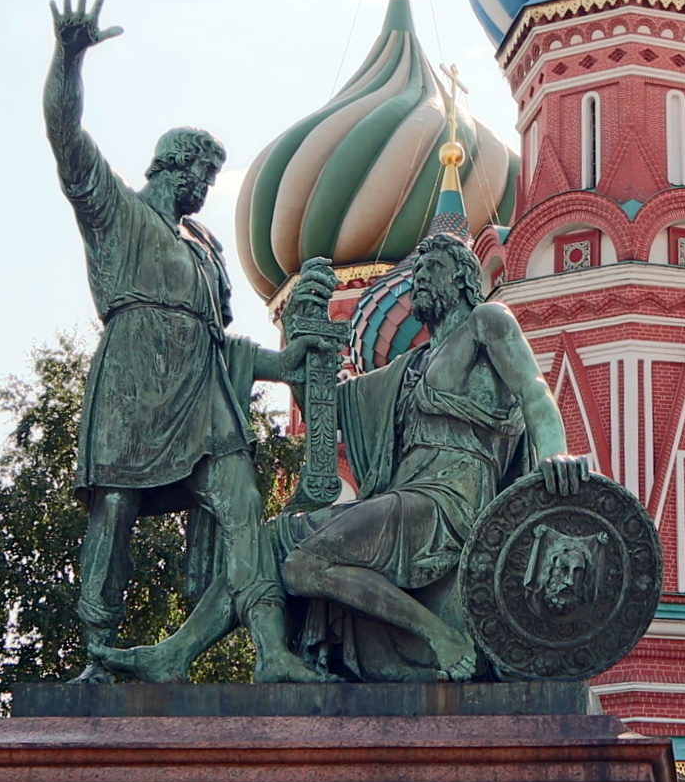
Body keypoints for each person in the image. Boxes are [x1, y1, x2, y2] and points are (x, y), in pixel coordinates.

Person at [96, 231, 588, 683]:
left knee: (302, 564)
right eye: (416, 270)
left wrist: (556, 455)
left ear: (462, 278)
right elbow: (326, 408)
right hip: (406, 497)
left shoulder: (487, 322)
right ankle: (177, 654)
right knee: (265, 542)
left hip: (449, 502)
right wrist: (301, 331)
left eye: (432, 267)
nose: (418, 278)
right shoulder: (411, 365)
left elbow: (533, 390)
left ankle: (443, 637)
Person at [43, 0, 328, 684]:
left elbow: (221, 347)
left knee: (244, 507)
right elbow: (66, 140)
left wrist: (285, 362)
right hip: (133, 383)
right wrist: (69, 58)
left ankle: (271, 652)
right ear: (172, 166)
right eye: (202, 172)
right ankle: (99, 654)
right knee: (115, 508)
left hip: (201, 397)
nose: (207, 185)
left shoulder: (204, 249)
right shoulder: (115, 211)